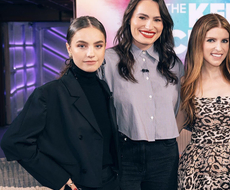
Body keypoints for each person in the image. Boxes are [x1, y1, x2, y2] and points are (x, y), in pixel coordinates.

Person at [1, 16, 120, 190]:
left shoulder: (104, 88)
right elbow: (13, 142)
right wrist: (59, 178)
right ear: (69, 48)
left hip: (112, 182)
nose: (91, 53)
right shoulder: (49, 94)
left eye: (98, 45)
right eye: (82, 45)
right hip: (79, 185)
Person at [97, 0, 184, 189]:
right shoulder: (108, 60)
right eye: (142, 17)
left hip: (165, 155)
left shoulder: (174, 64)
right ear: (129, 19)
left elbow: (178, 110)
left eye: (157, 19)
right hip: (123, 153)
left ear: (164, 25)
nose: (149, 26)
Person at [176, 13, 230, 190]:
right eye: (211, 40)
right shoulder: (186, 84)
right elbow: (173, 130)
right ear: (197, 42)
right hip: (195, 172)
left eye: (224, 41)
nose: (219, 48)